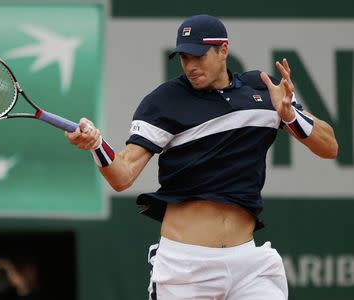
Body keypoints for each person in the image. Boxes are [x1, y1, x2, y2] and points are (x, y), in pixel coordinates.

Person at [66, 14, 338, 299]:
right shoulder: (165, 100)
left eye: (198, 55)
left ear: (223, 50)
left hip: (248, 264)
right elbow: (123, 176)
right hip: (185, 267)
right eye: (184, 57)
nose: (190, 66)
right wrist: (97, 145)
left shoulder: (263, 89)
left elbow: (329, 147)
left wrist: (290, 115)